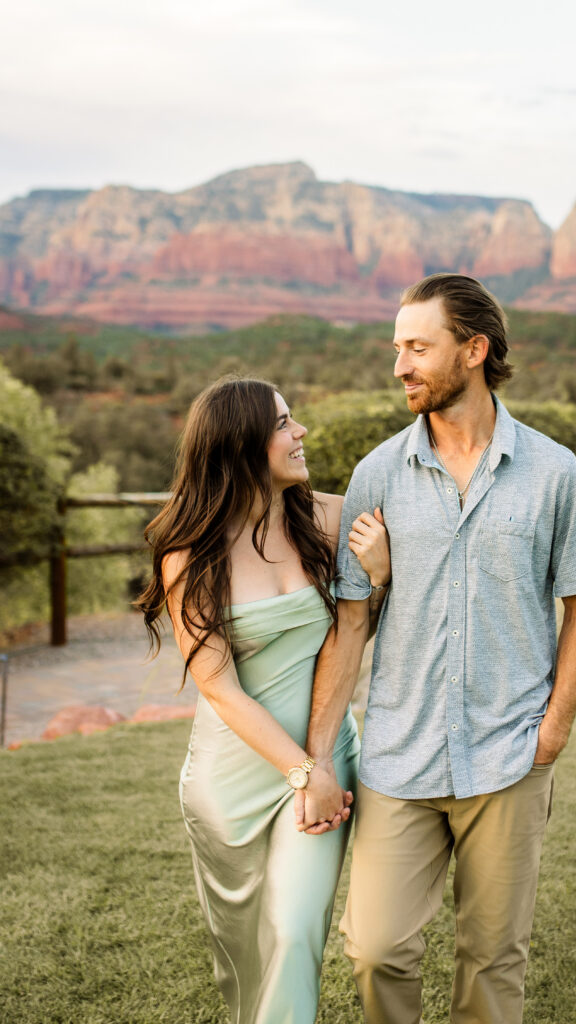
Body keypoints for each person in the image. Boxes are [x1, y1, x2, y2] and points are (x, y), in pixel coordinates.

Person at [298, 273, 576, 1024]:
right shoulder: (378, 473)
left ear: (473, 350)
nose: (399, 366)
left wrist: (555, 729)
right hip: (397, 759)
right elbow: (352, 625)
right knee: (374, 947)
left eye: (418, 347)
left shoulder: (554, 472)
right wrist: (319, 754)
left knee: (492, 959)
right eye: (396, 348)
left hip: (509, 753)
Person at [136, 376, 391, 1024]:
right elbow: (219, 688)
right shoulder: (189, 554)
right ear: (240, 445)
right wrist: (300, 770)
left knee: (292, 933)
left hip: (324, 764)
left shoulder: (332, 518)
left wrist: (381, 572)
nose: (300, 433)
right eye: (283, 424)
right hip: (232, 781)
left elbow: (365, 619)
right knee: (245, 961)